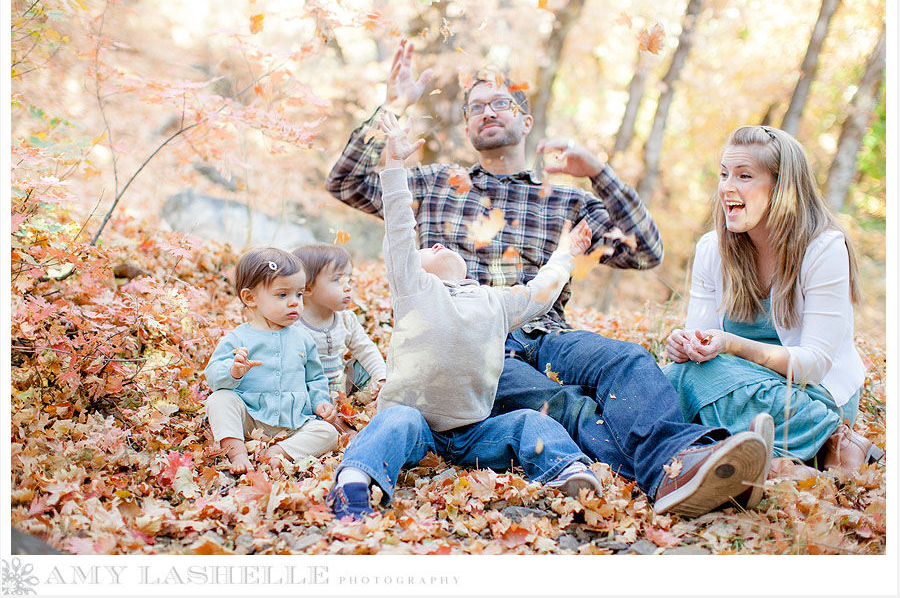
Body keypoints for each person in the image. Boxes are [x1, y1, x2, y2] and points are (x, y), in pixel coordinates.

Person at [325, 39, 770, 518]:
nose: (487, 112)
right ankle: (679, 474)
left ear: (526, 121)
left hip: (549, 333)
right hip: (473, 345)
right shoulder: (435, 184)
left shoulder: (566, 203)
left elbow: (645, 251)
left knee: (625, 359)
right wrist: (393, 105)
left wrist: (598, 172)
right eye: (476, 107)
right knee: (565, 406)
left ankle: (683, 463)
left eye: (501, 103)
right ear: (468, 125)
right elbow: (346, 182)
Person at [327, 111, 605, 520]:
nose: (435, 244)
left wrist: (565, 255)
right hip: (418, 426)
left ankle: (569, 471)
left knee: (529, 421)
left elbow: (539, 295)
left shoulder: (493, 302)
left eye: (439, 244)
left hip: (476, 432)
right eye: (428, 248)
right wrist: (393, 166)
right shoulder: (416, 290)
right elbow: (402, 229)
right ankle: (354, 481)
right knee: (394, 422)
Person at [662, 125, 884, 478]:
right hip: (732, 384)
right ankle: (780, 463)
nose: (727, 187)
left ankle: (826, 437)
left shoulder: (823, 249)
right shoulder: (712, 249)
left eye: (744, 175)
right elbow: (700, 340)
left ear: (782, 187)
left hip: (810, 398)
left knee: (685, 385)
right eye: (724, 174)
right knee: (673, 375)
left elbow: (813, 367)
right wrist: (686, 345)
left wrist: (731, 345)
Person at [204, 247, 340, 473]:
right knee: (220, 400)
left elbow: (315, 378)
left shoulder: (303, 339)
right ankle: (236, 452)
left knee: (328, 433)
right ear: (251, 298)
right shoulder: (238, 338)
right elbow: (213, 376)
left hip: (294, 421)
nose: (295, 302)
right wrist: (233, 372)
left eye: (299, 294)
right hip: (250, 417)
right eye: (282, 295)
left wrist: (320, 402)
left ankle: (281, 451)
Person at [291, 243, 386, 402]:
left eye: (348, 280)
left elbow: (365, 349)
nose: (348, 287)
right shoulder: (294, 324)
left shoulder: (346, 319)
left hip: (340, 386)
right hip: (307, 391)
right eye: (337, 280)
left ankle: (371, 396)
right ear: (306, 288)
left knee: (365, 366)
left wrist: (381, 376)